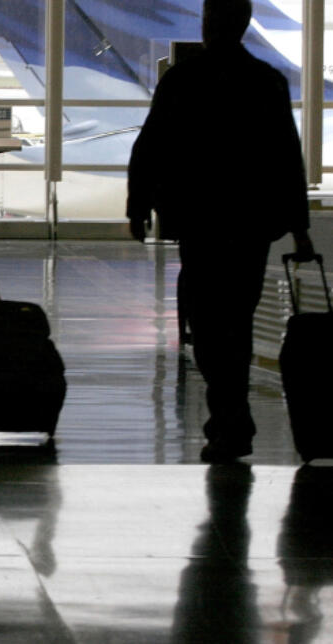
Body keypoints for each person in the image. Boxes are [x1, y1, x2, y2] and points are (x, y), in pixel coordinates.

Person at [127, 0, 314, 463]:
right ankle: (232, 417)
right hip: (248, 225)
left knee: (206, 321)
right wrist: (299, 228)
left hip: (200, 222)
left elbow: (151, 144)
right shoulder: (266, 82)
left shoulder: (183, 80)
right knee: (238, 319)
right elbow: (287, 158)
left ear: (212, 24)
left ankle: (229, 418)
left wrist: (138, 204)